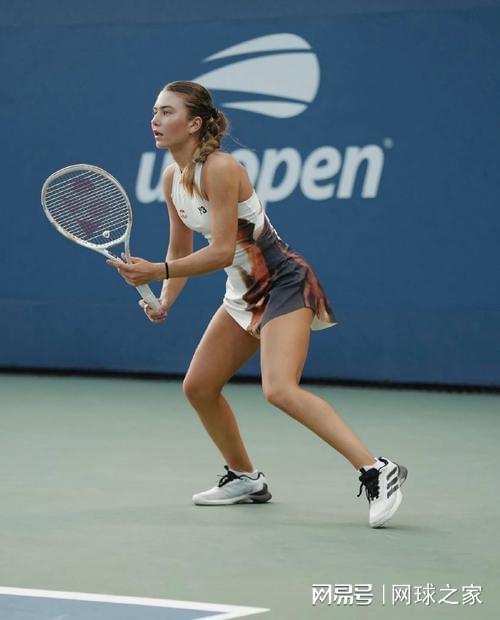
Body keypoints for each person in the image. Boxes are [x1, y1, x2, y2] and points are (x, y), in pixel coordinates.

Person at [107, 81, 407, 528]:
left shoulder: (222, 169)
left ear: (194, 123)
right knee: (199, 387)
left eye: (167, 112)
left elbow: (221, 251)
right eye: (154, 111)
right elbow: (180, 247)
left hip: (284, 283)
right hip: (242, 294)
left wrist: (157, 272)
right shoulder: (172, 177)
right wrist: (164, 297)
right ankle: (245, 478)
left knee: (279, 389)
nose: (155, 119)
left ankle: (376, 469)